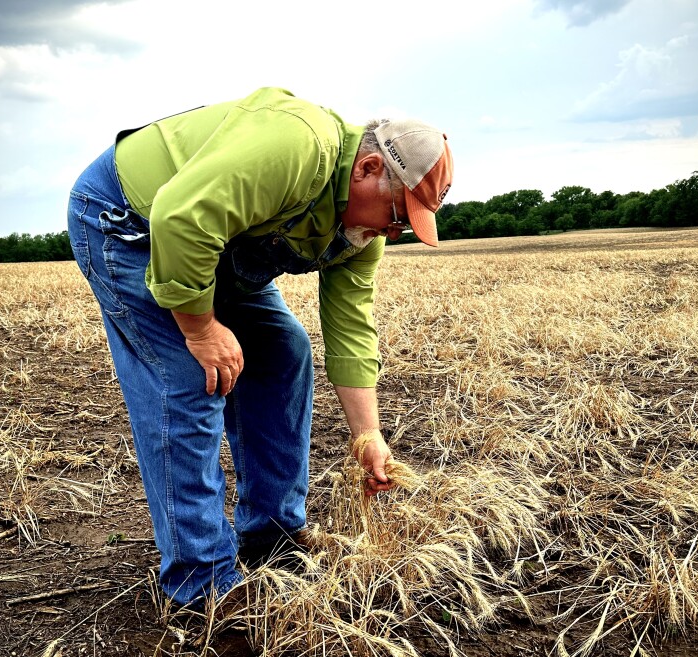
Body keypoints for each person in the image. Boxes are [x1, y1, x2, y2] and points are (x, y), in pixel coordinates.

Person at [67, 87, 454, 607]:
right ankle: (202, 584)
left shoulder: (362, 233)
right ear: (366, 168)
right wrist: (201, 331)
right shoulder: (298, 146)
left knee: (283, 353)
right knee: (187, 378)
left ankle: (271, 538)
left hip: (212, 241)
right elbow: (180, 219)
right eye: (398, 211)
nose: (395, 228)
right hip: (130, 220)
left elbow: (351, 328)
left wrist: (368, 436)